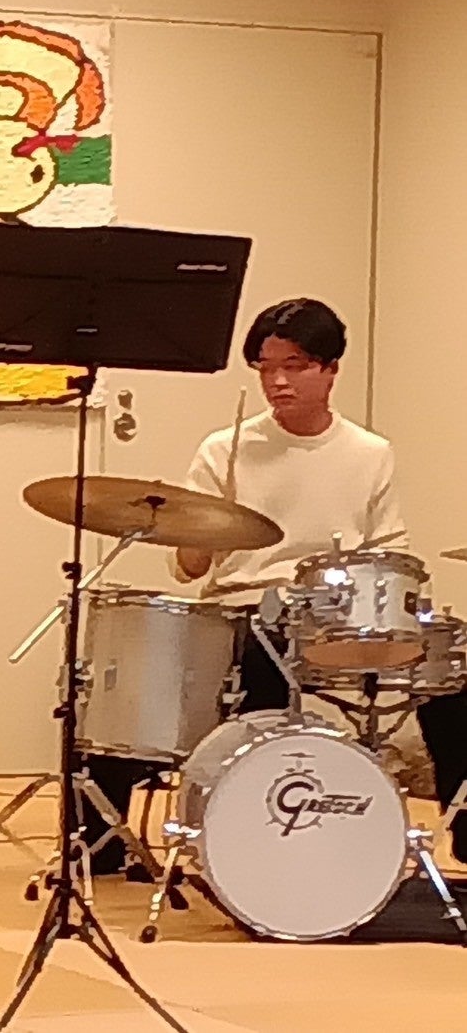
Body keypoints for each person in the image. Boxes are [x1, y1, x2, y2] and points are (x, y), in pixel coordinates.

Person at [83, 298, 467, 875]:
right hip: (246, 614)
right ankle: (131, 841)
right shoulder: (225, 447)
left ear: (330, 369)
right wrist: (198, 527)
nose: (277, 381)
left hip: (339, 618)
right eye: (265, 367)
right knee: (161, 674)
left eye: (294, 365)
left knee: (456, 669)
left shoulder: (370, 452)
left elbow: (390, 549)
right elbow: (188, 568)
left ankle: (464, 833)